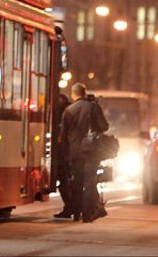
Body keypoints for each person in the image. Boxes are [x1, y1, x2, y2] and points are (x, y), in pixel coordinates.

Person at [59, 82, 109, 222]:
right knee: (89, 182)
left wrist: (66, 153)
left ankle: (76, 212)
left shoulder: (68, 110)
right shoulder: (93, 107)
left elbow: (63, 135)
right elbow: (104, 126)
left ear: (73, 94)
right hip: (92, 150)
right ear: (84, 93)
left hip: (75, 151)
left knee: (77, 181)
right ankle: (87, 214)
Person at [53, 93, 75, 219]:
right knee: (67, 183)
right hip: (72, 152)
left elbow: (63, 135)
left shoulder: (65, 114)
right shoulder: (71, 111)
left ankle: (70, 207)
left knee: (64, 183)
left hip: (65, 153)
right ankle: (72, 207)